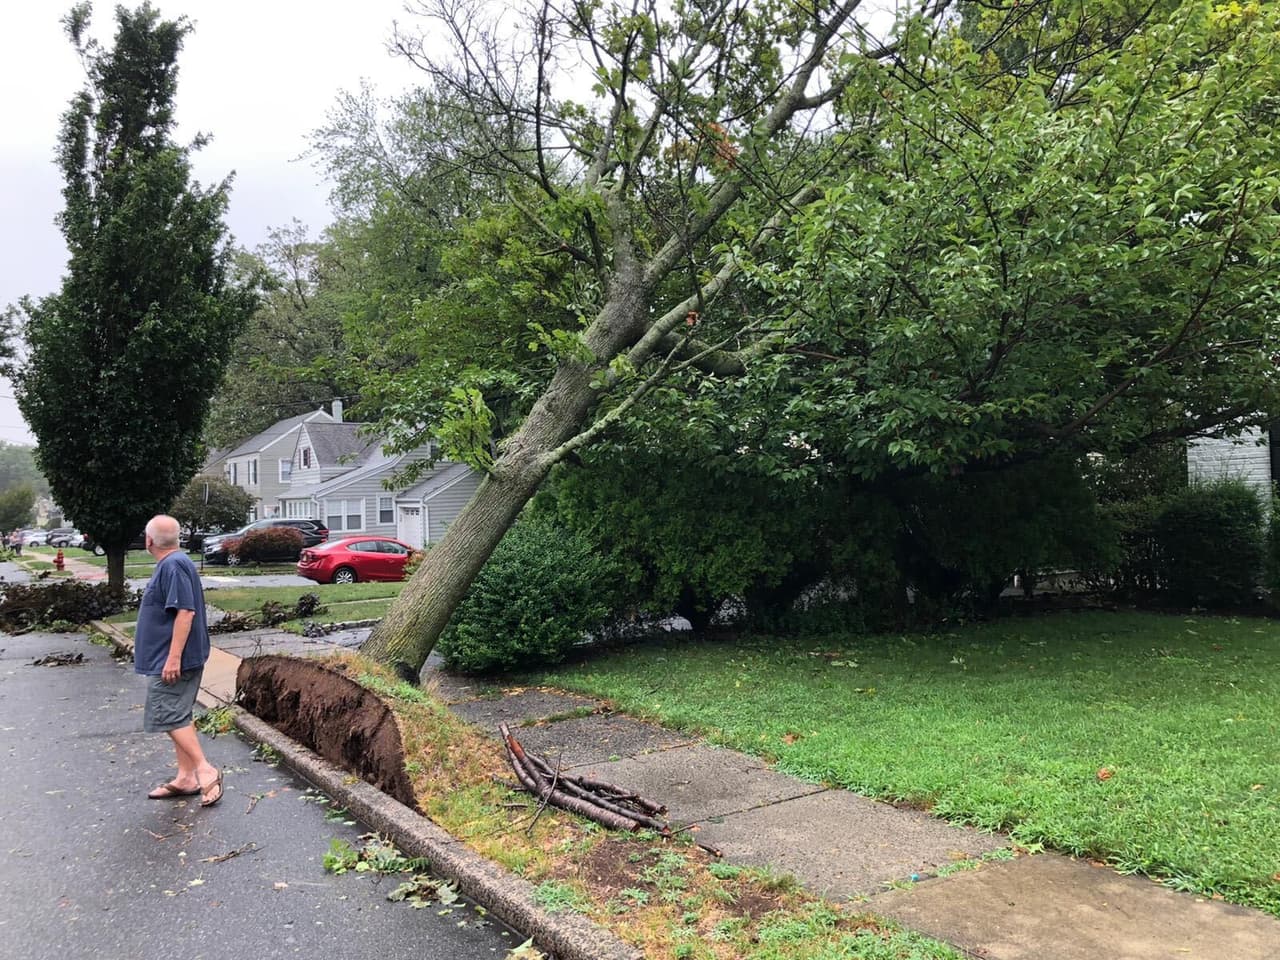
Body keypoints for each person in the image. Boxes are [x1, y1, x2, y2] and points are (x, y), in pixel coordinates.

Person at [135, 514, 222, 806]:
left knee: (167, 715)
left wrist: (173, 659)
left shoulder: (172, 566)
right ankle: (185, 778)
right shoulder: (176, 563)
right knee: (179, 715)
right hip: (174, 658)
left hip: (173, 662)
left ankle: (204, 769)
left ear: (149, 541)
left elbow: (186, 613)